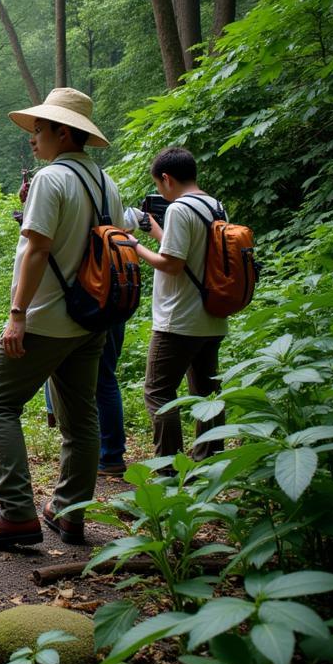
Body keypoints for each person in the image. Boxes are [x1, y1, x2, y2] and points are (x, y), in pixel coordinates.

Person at [0, 88, 126, 550]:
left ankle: (16, 514)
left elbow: (38, 249)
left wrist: (18, 314)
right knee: (81, 418)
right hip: (90, 317)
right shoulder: (104, 182)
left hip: (46, 319)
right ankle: (70, 513)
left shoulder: (52, 179)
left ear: (62, 130)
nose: (33, 138)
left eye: (39, 129)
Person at [131, 146, 227, 461]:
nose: (161, 191)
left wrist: (133, 246)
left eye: (159, 184)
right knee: (207, 394)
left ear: (167, 179)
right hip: (211, 316)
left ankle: (168, 470)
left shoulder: (179, 209)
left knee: (158, 393)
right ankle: (208, 462)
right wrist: (153, 229)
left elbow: (172, 264)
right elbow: (188, 253)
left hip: (178, 320)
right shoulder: (215, 206)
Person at [42, 205, 147, 478]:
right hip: (113, 297)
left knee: (98, 379)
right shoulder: (110, 203)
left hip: (90, 300)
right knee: (104, 378)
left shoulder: (75, 211)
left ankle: (109, 454)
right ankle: (109, 453)